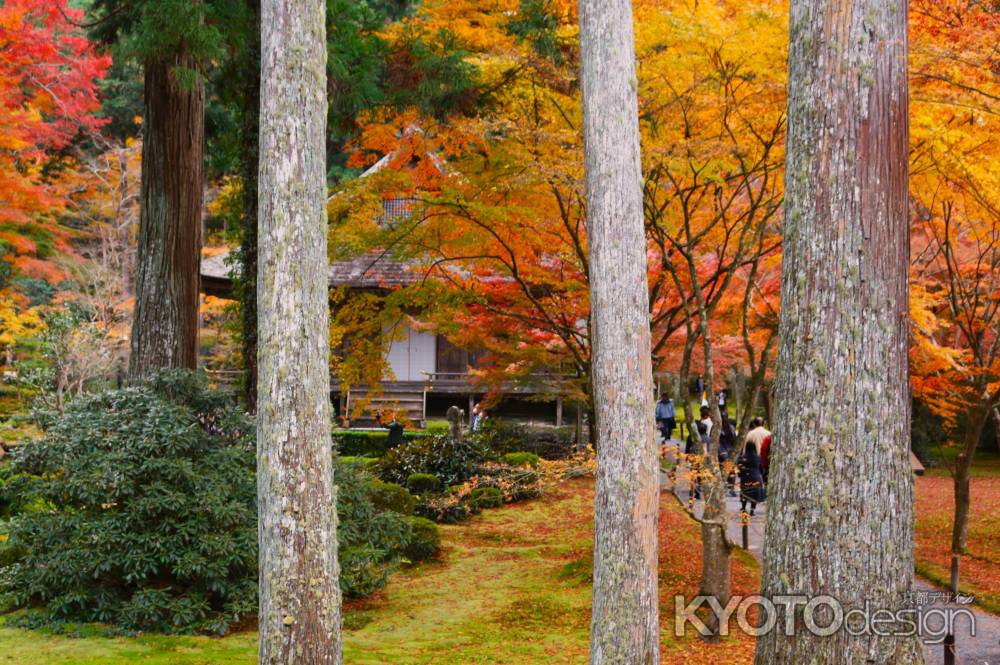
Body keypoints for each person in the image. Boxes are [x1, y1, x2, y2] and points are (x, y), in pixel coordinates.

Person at [738, 441, 766, 515]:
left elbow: (739, 468)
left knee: (744, 492)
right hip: (755, 477)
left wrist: (740, 474)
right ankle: (752, 510)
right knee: (754, 494)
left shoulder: (742, 457)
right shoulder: (758, 457)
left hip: (745, 477)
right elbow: (761, 468)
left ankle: (743, 508)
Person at [744, 417, 773, 483]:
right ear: (764, 423)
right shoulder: (769, 434)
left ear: (754, 423)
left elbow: (745, 450)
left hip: (753, 463)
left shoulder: (750, 434)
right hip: (766, 462)